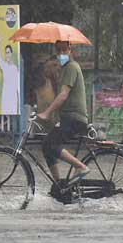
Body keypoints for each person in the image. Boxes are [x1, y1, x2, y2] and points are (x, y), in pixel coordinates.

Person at [37, 41, 89, 185]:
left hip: (74, 118)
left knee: (51, 145)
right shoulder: (64, 69)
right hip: (67, 117)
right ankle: (59, 185)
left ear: (70, 49)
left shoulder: (72, 67)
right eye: (58, 50)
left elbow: (63, 95)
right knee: (46, 146)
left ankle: (80, 166)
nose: (61, 54)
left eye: (63, 50)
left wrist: (47, 113)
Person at [0, 36, 19, 115]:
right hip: (5, 97)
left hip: (13, 98)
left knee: (13, 116)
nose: (7, 55)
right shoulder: (4, 66)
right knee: (5, 115)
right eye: (6, 53)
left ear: (11, 53)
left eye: (8, 52)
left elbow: (17, 86)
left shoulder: (15, 68)